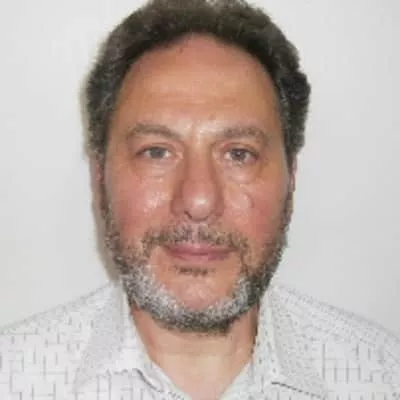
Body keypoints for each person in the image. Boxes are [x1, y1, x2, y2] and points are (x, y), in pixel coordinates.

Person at [1, 0, 399, 398]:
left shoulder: (381, 378)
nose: (199, 200)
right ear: (98, 178)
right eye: (156, 152)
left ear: (291, 179)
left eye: (239, 154)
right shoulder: (14, 378)